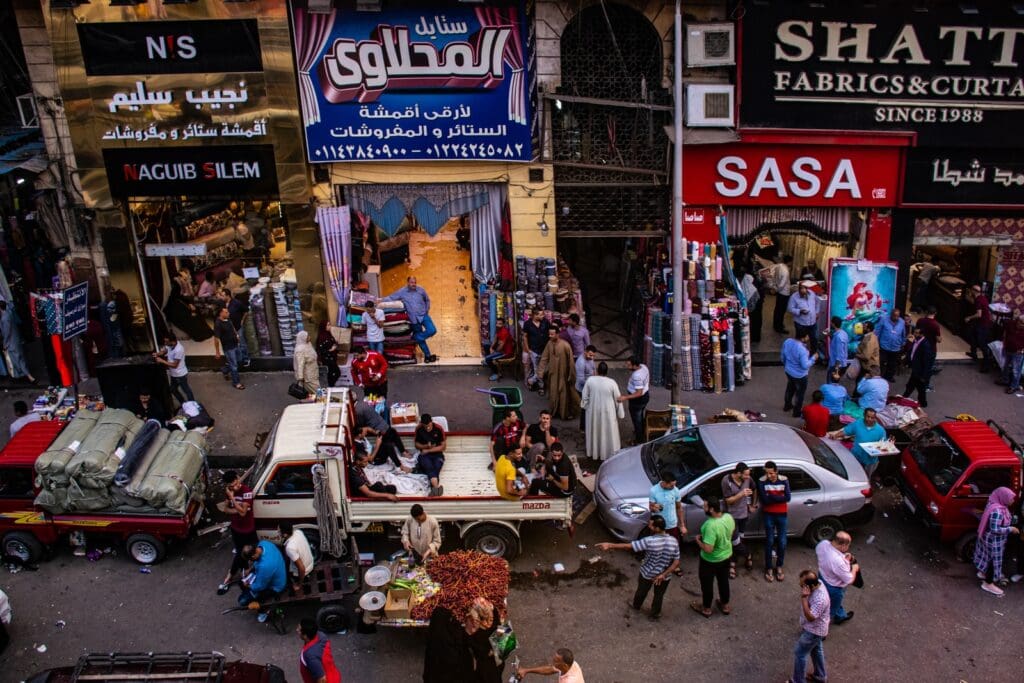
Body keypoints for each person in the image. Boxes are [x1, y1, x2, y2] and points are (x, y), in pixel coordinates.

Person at [597, 515, 680, 620]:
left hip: (647, 573)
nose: (649, 527)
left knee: (642, 591)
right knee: (659, 595)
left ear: (657, 528)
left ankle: (636, 605)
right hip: (665, 577)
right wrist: (663, 575)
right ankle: (655, 615)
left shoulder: (649, 541)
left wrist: (610, 545)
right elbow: (676, 562)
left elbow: (629, 546)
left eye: (651, 525)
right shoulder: (673, 541)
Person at [691, 495, 735, 618]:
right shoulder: (728, 517)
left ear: (711, 509)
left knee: (707, 585)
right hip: (726, 556)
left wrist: (698, 541)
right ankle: (725, 605)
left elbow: (708, 549)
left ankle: (706, 608)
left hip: (710, 561)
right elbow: (730, 534)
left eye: (704, 506)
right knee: (723, 581)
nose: (703, 508)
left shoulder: (710, 525)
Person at [217, 470, 257, 594]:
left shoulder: (246, 492)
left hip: (248, 529)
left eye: (236, 483)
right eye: (232, 486)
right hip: (236, 528)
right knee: (241, 552)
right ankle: (244, 570)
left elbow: (244, 512)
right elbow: (225, 509)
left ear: (238, 478)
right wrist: (236, 509)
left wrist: (233, 498)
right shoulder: (229, 492)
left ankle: (230, 576)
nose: (236, 486)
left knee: (242, 552)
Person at [974, 487, 1019, 596]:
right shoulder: (998, 511)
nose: (1013, 501)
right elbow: (995, 529)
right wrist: (1010, 529)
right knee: (993, 562)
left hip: (987, 539)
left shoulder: (993, 504)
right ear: (1003, 498)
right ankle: (988, 583)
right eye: (1011, 498)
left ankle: (982, 573)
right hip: (994, 542)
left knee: (986, 557)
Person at [790, 569, 830, 683]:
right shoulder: (819, 582)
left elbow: (811, 617)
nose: (801, 588)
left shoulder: (820, 599)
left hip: (814, 631)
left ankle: (798, 680)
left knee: (800, 653)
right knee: (816, 650)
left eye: (803, 586)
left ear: (811, 586)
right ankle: (820, 676)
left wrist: (804, 598)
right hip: (817, 630)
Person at [384, 276, 437, 363]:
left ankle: (415, 337)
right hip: (413, 319)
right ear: (408, 283)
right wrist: (380, 300)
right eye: (412, 282)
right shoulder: (402, 291)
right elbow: (391, 298)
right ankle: (427, 355)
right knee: (421, 340)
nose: (414, 284)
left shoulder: (421, 290)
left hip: (423, 315)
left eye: (415, 282)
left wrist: (427, 309)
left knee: (432, 330)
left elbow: (427, 300)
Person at [579, 362, 624, 461]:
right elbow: (618, 399)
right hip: (608, 413)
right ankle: (609, 453)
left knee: (595, 432)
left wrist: (586, 407)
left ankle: (595, 453)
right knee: (608, 433)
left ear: (597, 370)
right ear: (607, 372)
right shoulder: (612, 382)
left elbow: (584, 396)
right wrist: (620, 413)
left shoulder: (590, 380)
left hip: (593, 412)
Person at [827, 407, 887, 479]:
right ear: (864, 415)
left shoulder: (880, 430)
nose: (870, 419)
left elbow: (883, 445)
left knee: (866, 477)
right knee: (853, 475)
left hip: (870, 460)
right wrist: (835, 436)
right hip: (856, 456)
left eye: (872, 417)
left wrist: (884, 447)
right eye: (868, 417)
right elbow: (846, 431)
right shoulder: (858, 423)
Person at [816, 531, 860, 624]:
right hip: (834, 587)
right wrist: (855, 569)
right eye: (848, 545)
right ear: (843, 545)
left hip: (822, 577)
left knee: (830, 602)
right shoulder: (838, 561)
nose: (848, 548)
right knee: (830, 610)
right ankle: (820, 633)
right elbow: (850, 580)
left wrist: (844, 557)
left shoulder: (822, 544)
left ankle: (840, 615)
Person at [758, 461, 791, 582]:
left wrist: (771, 497)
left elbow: (787, 497)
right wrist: (778, 498)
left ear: (776, 471)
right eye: (767, 473)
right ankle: (768, 567)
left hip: (782, 514)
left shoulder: (784, 480)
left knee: (782, 542)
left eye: (771, 473)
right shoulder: (762, 481)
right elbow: (765, 500)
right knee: (769, 541)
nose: (769, 476)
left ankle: (779, 566)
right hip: (768, 514)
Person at [721, 463, 756, 576]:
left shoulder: (748, 479)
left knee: (740, 540)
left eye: (748, 475)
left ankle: (733, 562)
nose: (747, 477)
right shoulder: (726, 481)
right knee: (734, 542)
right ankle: (748, 555)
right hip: (732, 516)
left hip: (744, 515)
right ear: (738, 473)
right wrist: (741, 494)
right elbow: (728, 501)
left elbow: (754, 489)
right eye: (745, 475)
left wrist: (753, 505)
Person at [238, 540, 287, 619]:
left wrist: (248, 585)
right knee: (243, 586)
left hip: (276, 587)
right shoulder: (263, 544)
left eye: (251, 560)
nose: (250, 561)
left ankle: (263, 611)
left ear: (254, 556)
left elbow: (260, 586)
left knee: (242, 601)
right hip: (274, 574)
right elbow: (257, 563)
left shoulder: (265, 566)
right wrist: (250, 569)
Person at [649, 471, 686, 575]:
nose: (674, 487)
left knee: (674, 547)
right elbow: (651, 507)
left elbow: (679, 508)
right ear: (664, 482)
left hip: (672, 524)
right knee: (656, 546)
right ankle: (655, 565)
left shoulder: (676, 491)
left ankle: (675, 566)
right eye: (671, 485)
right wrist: (654, 507)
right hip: (658, 525)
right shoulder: (653, 491)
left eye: (674, 484)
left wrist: (682, 525)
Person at [538, 324, 578, 419]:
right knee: (553, 394)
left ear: (557, 334)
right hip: (552, 375)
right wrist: (541, 372)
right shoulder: (549, 344)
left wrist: (571, 376)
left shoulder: (565, 346)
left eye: (552, 334)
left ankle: (564, 414)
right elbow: (544, 358)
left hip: (564, 376)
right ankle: (553, 412)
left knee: (563, 395)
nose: (550, 336)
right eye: (549, 334)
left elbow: (571, 363)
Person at [464, 597, 504, 682]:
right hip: (497, 659)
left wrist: (468, 636)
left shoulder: (477, 627)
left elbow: (472, 644)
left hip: (485, 662)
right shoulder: (494, 615)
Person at [781, 331, 817, 418]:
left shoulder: (788, 341)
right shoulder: (802, 350)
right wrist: (813, 359)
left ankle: (787, 405)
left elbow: (783, 356)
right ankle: (796, 412)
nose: (808, 338)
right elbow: (805, 365)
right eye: (807, 336)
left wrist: (786, 365)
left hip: (789, 371)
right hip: (800, 375)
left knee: (790, 388)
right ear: (803, 337)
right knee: (800, 394)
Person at [153, 333, 196, 405]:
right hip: (174, 374)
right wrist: (158, 354)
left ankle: (192, 404)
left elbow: (175, 365)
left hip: (180, 374)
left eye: (167, 342)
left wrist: (162, 361)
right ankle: (183, 403)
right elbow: (164, 350)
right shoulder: (170, 345)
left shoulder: (179, 350)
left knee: (186, 390)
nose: (165, 343)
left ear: (172, 341)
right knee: (173, 389)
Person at [298, 617, 342, 683]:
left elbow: (322, 680)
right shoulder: (320, 635)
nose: (296, 630)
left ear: (305, 636)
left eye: (299, 629)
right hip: (333, 675)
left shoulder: (310, 656)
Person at [617, 356, 650, 444]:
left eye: (629, 365)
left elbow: (639, 392)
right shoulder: (643, 367)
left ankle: (639, 440)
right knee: (640, 416)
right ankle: (641, 432)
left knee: (637, 420)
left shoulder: (636, 376)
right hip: (645, 396)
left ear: (635, 366)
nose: (627, 366)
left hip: (638, 400)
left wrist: (625, 397)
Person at [903, 325, 936, 407]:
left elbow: (927, 362)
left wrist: (924, 376)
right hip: (916, 370)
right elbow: (912, 352)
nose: (914, 334)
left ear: (922, 334)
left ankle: (921, 402)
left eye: (917, 333)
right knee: (912, 386)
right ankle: (905, 398)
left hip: (920, 372)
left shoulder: (925, 346)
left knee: (918, 388)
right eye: (915, 332)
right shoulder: (916, 341)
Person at [213, 306, 245, 390]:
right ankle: (236, 383)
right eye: (226, 312)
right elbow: (216, 339)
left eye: (228, 312)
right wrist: (217, 352)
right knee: (234, 366)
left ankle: (225, 369)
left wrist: (236, 335)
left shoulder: (228, 319)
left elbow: (232, 327)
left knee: (239, 359)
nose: (228, 313)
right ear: (221, 313)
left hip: (235, 344)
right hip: (228, 347)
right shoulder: (218, 324)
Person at [414, 414, 446, 497]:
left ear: (431, 422)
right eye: (425, 426)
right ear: (422, 424)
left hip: (437, 454)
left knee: (436, 467)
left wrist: (429, 450)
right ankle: (436, 488)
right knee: (429, 467)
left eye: (428, 425)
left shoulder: (438, 428)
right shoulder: (419, 429)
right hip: (425, 455)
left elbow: (443, 447)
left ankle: (434, 490)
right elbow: (416, 444)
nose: (427, 428)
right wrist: (425, 446)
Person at [964, 283, 993, 370]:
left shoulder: (978, 300)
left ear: (973, 291)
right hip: (982, 323)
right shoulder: (982, 298)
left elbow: (979, 314)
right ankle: (973, 353)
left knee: (982, 343)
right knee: (972, 336)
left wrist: (969, 318)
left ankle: (986, 365)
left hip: (983, 324)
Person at [522, 308, 551, 392]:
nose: (543, 316)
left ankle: (531, 381)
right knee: (536, 369)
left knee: (544, 369)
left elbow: (550, 332)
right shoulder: (527, 324)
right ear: (535, 315)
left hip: (545, 350)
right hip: (534, 350)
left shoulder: (545, 322)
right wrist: (528, 349)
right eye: (541, 314)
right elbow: (525, 337)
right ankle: (541, 387)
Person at [787, 281, 820, 355]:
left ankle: (813, 355)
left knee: (814, 339)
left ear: (807, 288)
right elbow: (790, 308)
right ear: (798, 289)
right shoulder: (794, 297)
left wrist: (817, 312)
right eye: (800, 289)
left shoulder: (812, 293)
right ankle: (799, 355)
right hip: (801, 323)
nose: (802, 290)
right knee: (800, 340)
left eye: (804, 288)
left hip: (812, 322)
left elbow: (817, 302)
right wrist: (799, 311)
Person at [280, 522, 314, 592]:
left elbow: (301, 568)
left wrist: (299, 585)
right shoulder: (298, 532)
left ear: (285, 534)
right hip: (310, 562)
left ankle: (297, 581)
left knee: (286, 574)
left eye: (279, 531)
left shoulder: (290, 548)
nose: (278, 533)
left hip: (305, 570)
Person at [518, 648, 584, 682]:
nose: (553, 662)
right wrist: (526, 670)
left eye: (556, 661)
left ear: (565, 665)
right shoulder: (572, 664)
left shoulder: (569, 681)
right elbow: (550, 669)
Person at [876, 307, 907, 382]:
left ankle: (889, 377)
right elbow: (877, 331)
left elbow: (903, 333)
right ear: (891, 315)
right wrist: (876, 343)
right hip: (884, 346)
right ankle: (881, 377)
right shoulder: (884, 320)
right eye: (894, 316)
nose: (896, 317)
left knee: (892, 364)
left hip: (896, 347)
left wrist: (903, 342)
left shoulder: (902, 322)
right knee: (882, 362)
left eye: (898, 316)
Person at [483, 317, 515, 382]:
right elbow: (495, 338)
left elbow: (501, 346)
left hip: (505, 352)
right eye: (497, 323)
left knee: (487, 358)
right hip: (500, 349)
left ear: (503, 325)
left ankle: (497, 373)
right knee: (486, 344)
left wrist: (494, 351)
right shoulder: (499, 329)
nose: (497, 325)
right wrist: (491, 348)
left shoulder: (504, 332)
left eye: (500, 324)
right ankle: (491, 361)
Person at [1000, 310, 1024, 394]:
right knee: (1005, 366)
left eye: (1023, 324)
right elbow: (1005, 332)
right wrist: (1004, 342)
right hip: (1008, 348)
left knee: (1015, 370)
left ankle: (1014, 386)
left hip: (1018, 352)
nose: (1021, 325)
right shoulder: (1011, 324)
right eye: (1020, 322)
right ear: (1018, 320)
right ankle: (1004, 380)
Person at [575, 345, 597, 430]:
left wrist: (595, 377)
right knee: (585, 408)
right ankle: (583, 428)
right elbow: (581, 380)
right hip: (582, 389)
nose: (592, 357)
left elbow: (593, 368)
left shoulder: (590, 358)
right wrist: (592, 385)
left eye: (593, 355)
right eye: (590, 355)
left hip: (590, 385)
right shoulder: (581, 363)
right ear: (585, 352)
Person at [293, 330, 320, 398]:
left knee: (311, 393)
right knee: (319, 392)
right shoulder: (300, 350)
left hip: (313, 373)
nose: (309, 337)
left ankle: (315, 403)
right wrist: (300, 377)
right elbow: (300, 364)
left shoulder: (308, 344)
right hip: (308, 376)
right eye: (307, 336)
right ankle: (323, 402)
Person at [770, 254, 793, 334]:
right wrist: (775, 289)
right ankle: (779, 327)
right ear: (789, 262)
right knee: (781, 310)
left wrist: (773, 286)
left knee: (777, 309)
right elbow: (782, 284)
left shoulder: (779, 266)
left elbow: (772, 274)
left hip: (780, 292)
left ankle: (776, 324)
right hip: (784, 292)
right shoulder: (786, 271)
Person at [227, 292, 251, 367]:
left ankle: (246, 359)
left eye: (222, 295)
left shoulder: (236, 303)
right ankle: (236, 358)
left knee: (242, 343)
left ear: (227, 295)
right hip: (229, 328)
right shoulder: (222, 304)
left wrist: (242, 321)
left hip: (237, 326)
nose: (220, 296)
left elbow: (246, 310)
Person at [316, 320, 341, 388]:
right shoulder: (321, 337)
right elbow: (321, 350)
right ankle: (331, 387)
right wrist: (330, 350)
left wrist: (336, 344)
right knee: (333, 373)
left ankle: (331, 386)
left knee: (336, 373)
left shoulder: (328, 334)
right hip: (327, 359)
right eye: (328, 325)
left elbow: (332, 343)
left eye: (330, 324)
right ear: (324, 327)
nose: (330, 326)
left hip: (332, 358)